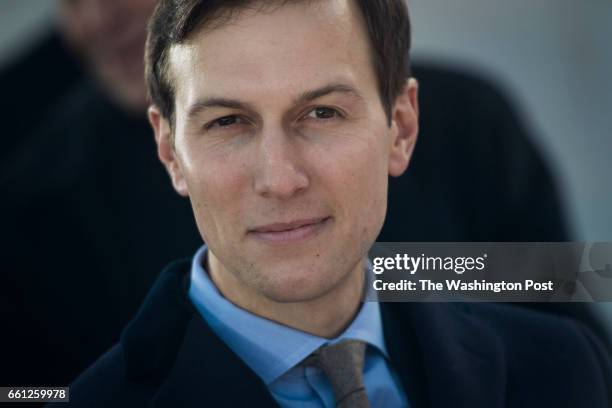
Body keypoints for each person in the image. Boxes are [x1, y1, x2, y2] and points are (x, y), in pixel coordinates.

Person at [54, 0, 611, 407]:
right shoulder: (50, 194)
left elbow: (561, 287)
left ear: (402, 127)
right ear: (169, 150)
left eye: (322, 114)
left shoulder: (472, 121)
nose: (280, 179)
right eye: (227, 122)